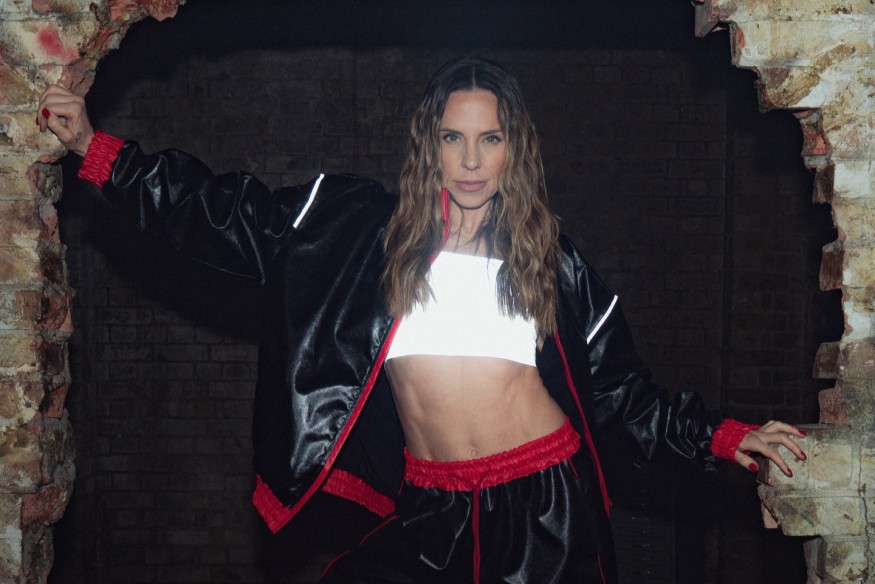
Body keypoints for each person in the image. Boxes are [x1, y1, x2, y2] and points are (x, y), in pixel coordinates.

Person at [38, 57, 806, 584]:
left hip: (542, 507)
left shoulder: (550, 260)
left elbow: (620, 394)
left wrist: (721, 436)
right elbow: (227, 217)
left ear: (513, 150)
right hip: (428, 508)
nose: (470, 161)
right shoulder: (361, 234)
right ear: (428, 145)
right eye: (453, 137)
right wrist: (97, 151)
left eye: (489, 139)